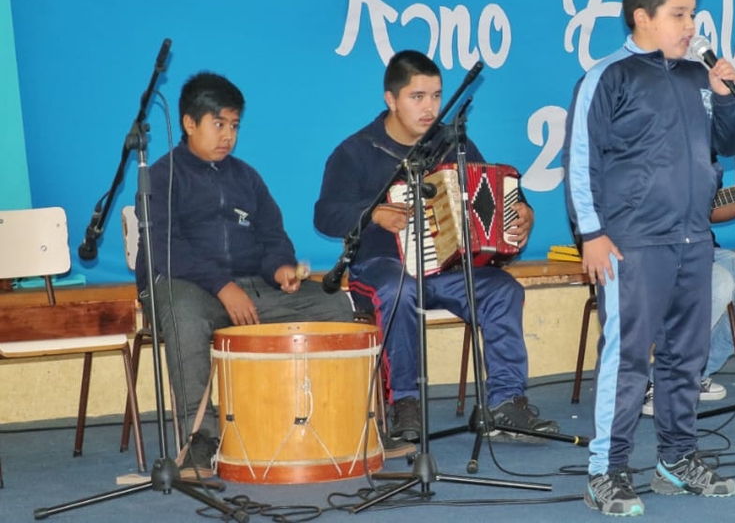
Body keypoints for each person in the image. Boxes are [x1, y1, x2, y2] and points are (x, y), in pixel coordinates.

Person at [565, 0, 735, 516]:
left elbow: (730, 144)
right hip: (633, 243)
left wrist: (724, 95)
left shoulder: (696, 76)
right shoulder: (608, 77)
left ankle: (676, 460)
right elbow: (580, 161)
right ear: (642, 16)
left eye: (693, 14)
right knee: (627, 360)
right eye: (679, 15)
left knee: (685, 358)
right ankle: (606, 471)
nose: (691, 26)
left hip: (693, 239)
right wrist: (591, 234)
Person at [313, 50, 557, 445]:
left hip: (445, 269)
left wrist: (523, 211)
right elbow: (325, 215)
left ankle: (506, 402)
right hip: (380, 267)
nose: (430, 108)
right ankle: (404, 401)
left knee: (503, 290)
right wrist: (373, 214)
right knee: (399, 290)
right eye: (417, 97)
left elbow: (492, 186)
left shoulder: (451, 143)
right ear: (391, 99)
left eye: (436, 96)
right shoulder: (356, 151)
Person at [135, 72, 355, 473]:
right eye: (218, 124)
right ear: (189, 123)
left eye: (234, 126)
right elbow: (165, 249)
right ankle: (200, 437)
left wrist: (281, 270)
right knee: (185, 315)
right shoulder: (162, 177)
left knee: (335, 304)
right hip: (189, 288)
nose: (228, 136)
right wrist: (222, 286)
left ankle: (329, 417)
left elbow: (273, 237)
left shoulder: (247, 177)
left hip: (252, 289)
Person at [642, 174, 735, 416]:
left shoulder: (705, 155)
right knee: (719, 283)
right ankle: (657, 381)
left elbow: (709, 209)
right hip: (653, 255)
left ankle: (695, 372)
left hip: (703, 250)